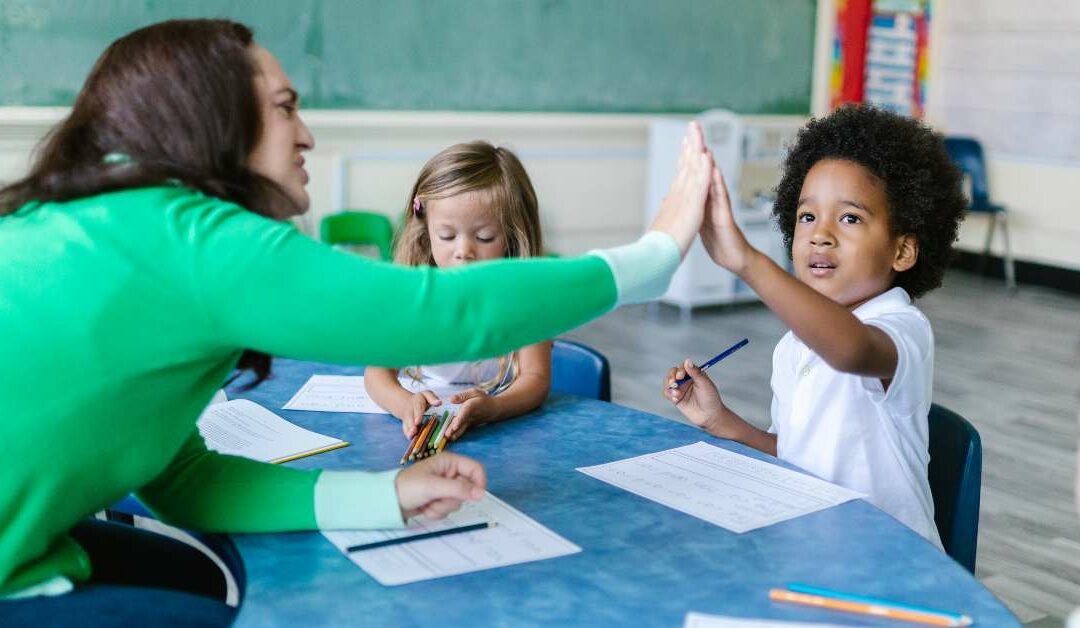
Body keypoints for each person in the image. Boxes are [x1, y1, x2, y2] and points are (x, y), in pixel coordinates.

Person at [0, 19, 714, 622]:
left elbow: (181, 478)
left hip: (30, 540)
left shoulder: (113, 223)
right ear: (217, 123)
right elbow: (441, 314)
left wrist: (385, 494)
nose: (307, 134)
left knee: (197, 582)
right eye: (285, 108)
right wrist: (652, 256)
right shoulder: (194, 240)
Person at [665, 105, 967, 546]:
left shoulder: (902, 327)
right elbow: (794, 457)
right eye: (807, 216)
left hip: (891, 566)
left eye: (850, 218)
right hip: (814, 546)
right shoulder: (794, 346)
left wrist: (748, 262)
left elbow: (852, 351)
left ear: (902, 251)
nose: (820, 234)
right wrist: (722, 421)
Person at [366, 141, 551, 442]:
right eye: (447, 235)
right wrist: (403, 404)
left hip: (504, 433)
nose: (464, 251)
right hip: (426, 427)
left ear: (511, 236)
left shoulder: (527, 299)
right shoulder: (414, 295)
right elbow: (377, 375)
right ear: (426, 232)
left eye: (484, 236)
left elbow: (536, 379)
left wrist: (495, 407)